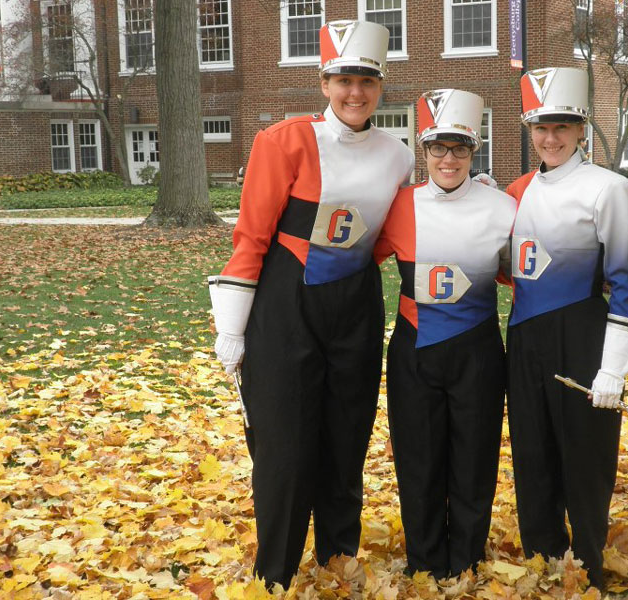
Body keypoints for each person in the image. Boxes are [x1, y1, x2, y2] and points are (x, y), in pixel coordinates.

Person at [207, 20, 414, 589]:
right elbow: (250, 239)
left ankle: (338, 560)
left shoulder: (398, 155)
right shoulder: (284, 140)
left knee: (347, 438)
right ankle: (274, 572)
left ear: (380, 87)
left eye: (367, 81)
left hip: (356, 308)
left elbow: (393, 238)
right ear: (324, 83)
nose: (355, 92)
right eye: (344, 80)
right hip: (284, 308)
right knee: (284, 447)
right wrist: (233, 329)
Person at [504, 67, 628, 589]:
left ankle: (588, 563)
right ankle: (543, 559)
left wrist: (613, 367)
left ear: (581, 129)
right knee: (532, 452)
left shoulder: (610, 188)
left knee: (585, 456)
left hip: (584, 335)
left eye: (562, 127)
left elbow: (626, 284)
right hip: (523, 335)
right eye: (541, 129)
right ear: (530, 132)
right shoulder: (519, 189)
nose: (550, 138)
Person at [373, 89, 516, 579]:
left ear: (473, 150)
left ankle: (466, 560)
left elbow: (516, 272)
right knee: (418, 461)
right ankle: (425, 561)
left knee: (475, 460)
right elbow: (356, 263)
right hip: (414, 348)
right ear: (423, 150)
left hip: (478, 348)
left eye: (459, 148)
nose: (448, 158)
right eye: (438, 147)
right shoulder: (397, 206)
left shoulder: (502, 208)